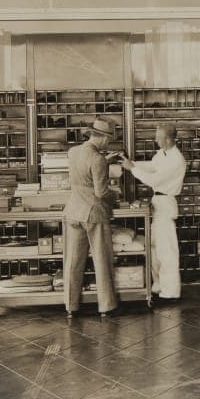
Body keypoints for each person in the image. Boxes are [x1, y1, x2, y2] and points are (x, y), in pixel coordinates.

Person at [121, 123, 187, 301]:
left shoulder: (176, 160)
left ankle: (171, 292)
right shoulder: (163, 154)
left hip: (166, 203)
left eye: (158, 137)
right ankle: (159, 286)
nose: (155, 139)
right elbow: (152, 165)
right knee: (155, 248)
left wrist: (132, 169)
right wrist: (133, 163)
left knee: (167, 251)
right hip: (158, 202)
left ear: (167, 139)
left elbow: (153, 179)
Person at [63, 116, 120, 318]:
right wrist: (117, 195)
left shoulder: (73, 152)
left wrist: (105, 161)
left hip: (73, 212)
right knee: (102, 260)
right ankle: (106, 306)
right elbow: (101, 192)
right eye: (109, 139)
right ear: (104, 139)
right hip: (94, 214)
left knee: (73, 261)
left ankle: (71, 306)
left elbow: (84, 170)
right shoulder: (98, 160)